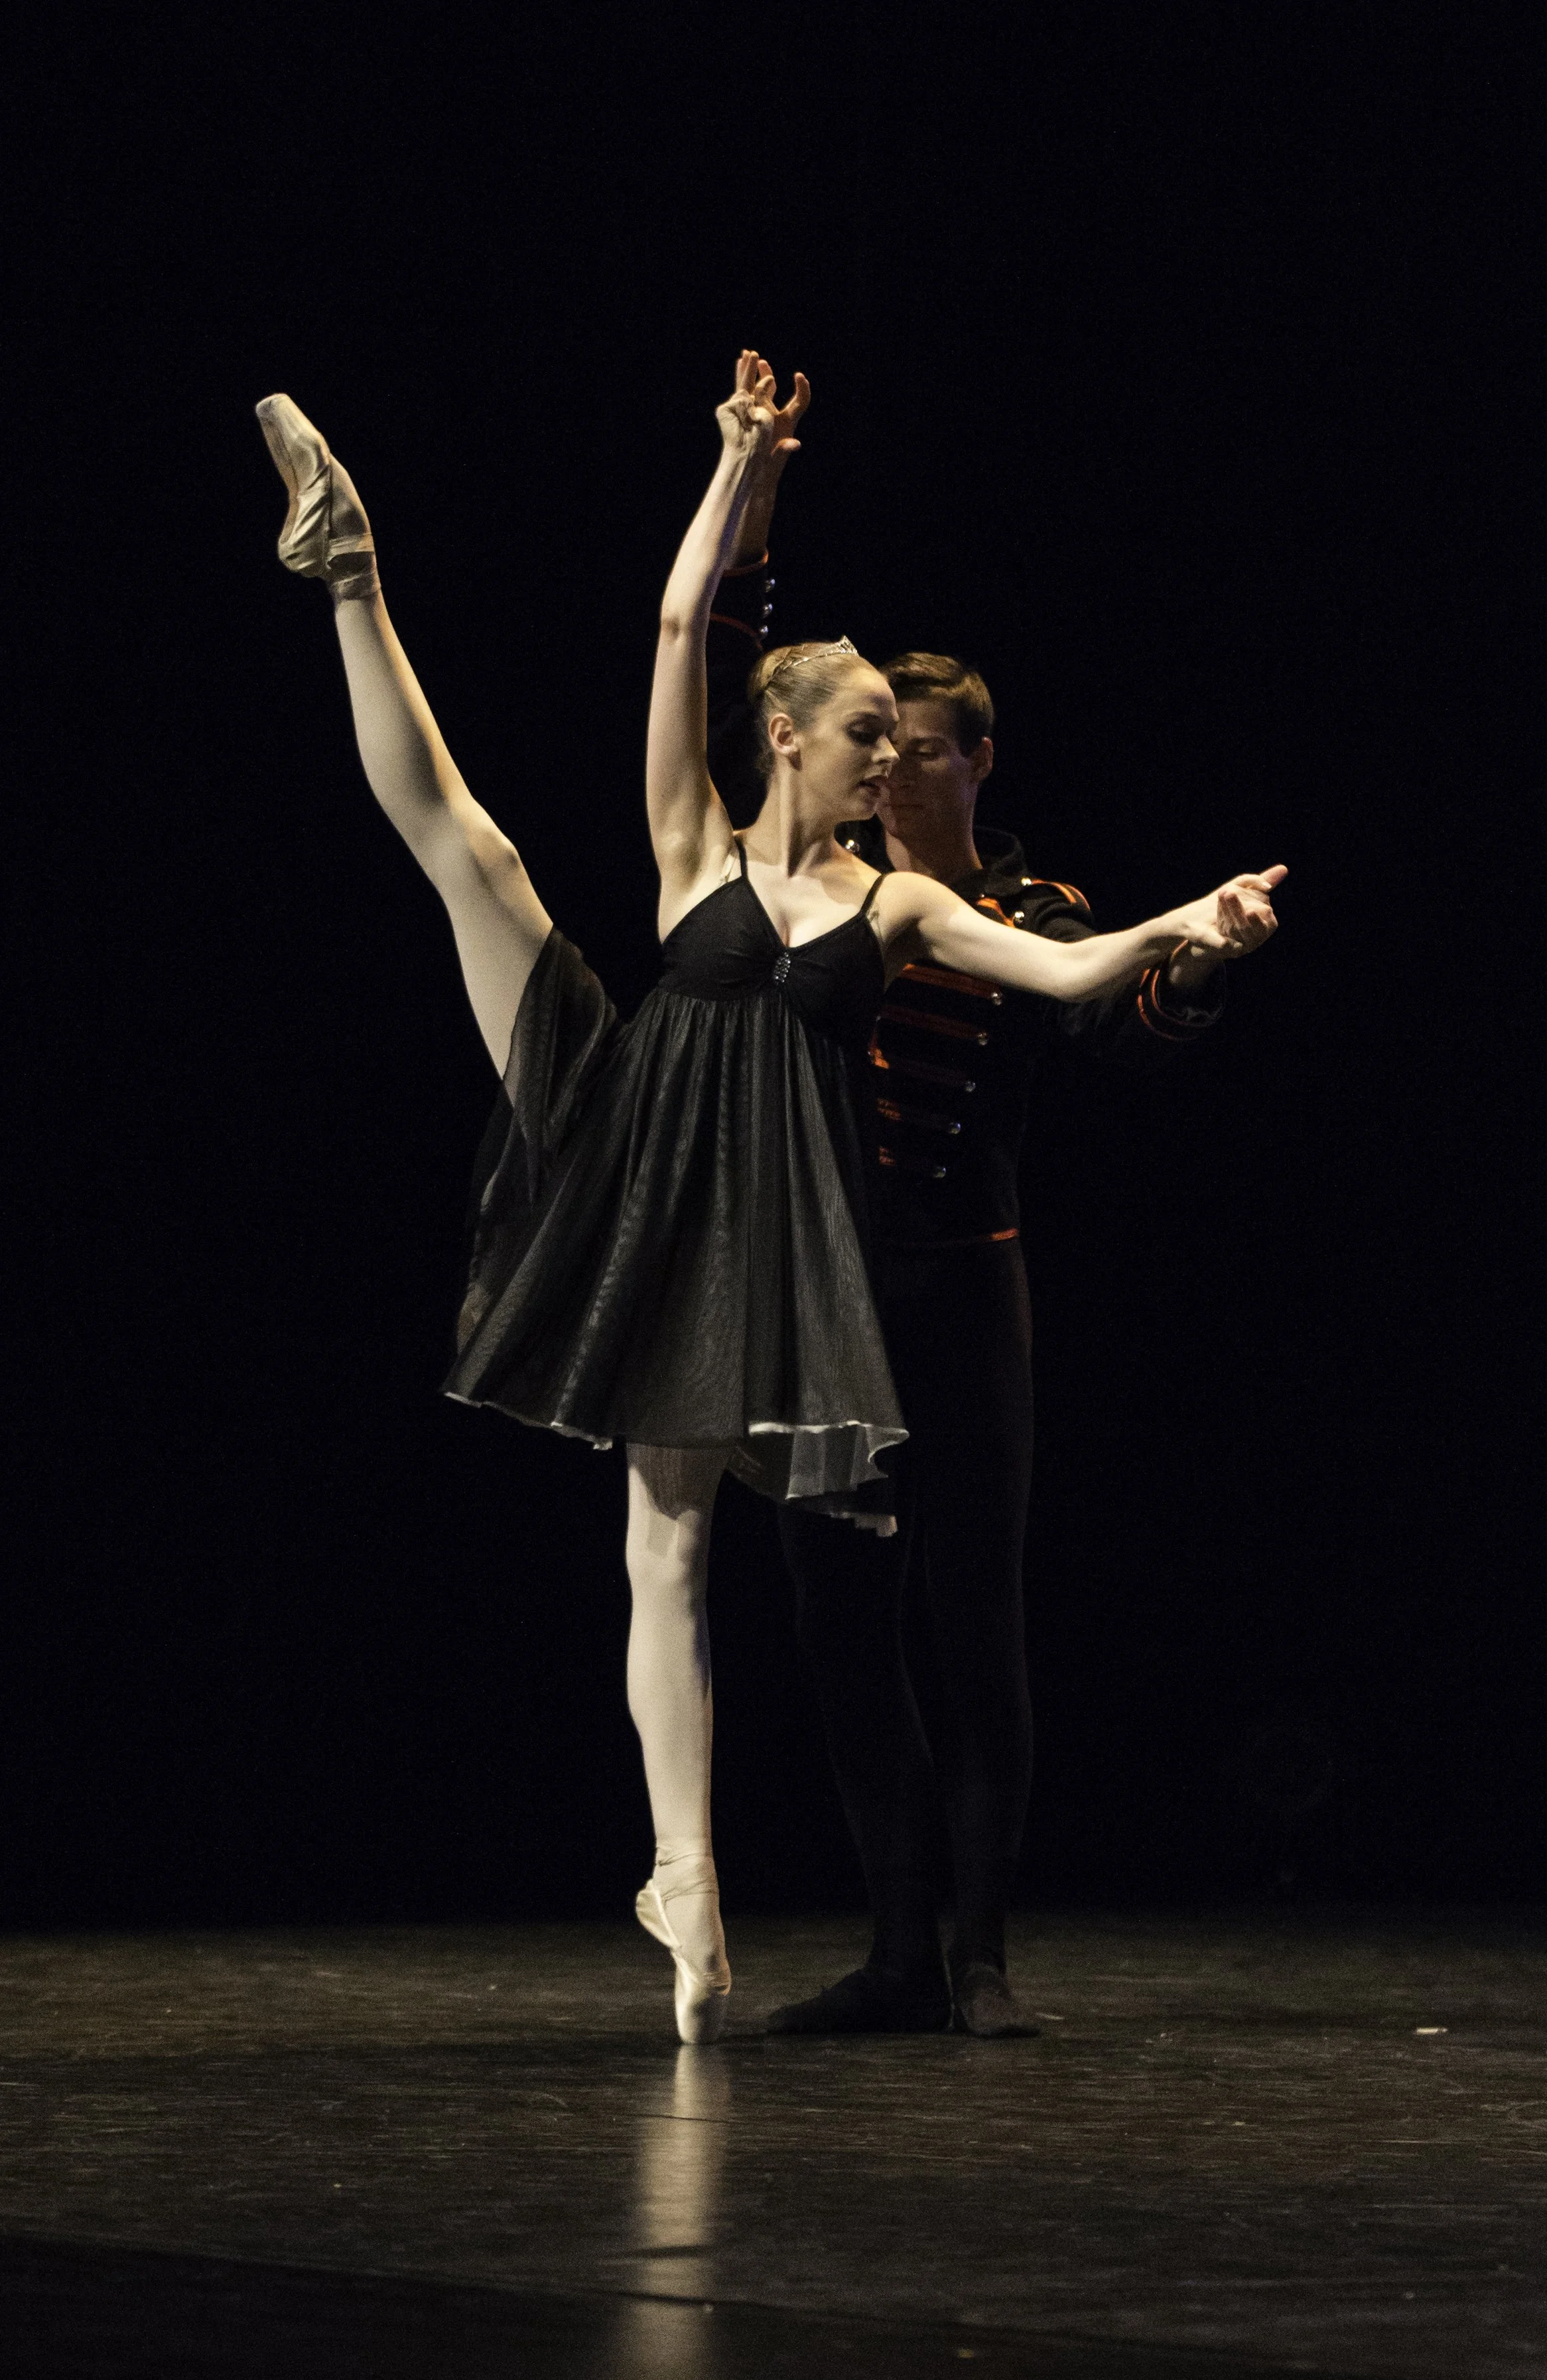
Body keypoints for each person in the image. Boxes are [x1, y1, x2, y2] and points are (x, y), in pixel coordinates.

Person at [255, 355, 1282, 2045]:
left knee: (671, 1542)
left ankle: (689, 1888)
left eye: (904, 734)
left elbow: (1068, 959)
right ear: (791, 733)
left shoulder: (896, 910)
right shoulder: (697, 842)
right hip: (615, 1123)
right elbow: (680, 628)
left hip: (736, 1231)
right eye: (871, 728)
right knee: (471, 851)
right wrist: (736, 471)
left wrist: (1195, 922)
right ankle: (349, 565)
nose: (894, 754)